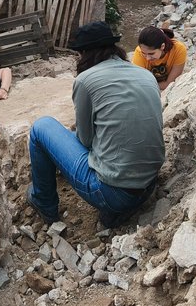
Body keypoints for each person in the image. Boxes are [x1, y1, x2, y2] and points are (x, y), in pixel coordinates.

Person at [27, 21, 165, 228]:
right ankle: (115, 214)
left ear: (83, 53)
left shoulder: (85, 80)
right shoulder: (146, 75)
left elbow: (85, 139)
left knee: (41, 127)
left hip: (111, 192)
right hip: (148, 185)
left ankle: (44, 204)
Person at [132, 26, 187, 91]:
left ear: (162, 46)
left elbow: (170, 83)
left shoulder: (178, 50)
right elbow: (139, 83)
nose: (147, 58)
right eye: (144, 53)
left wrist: (147, 85)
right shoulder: (139, 52)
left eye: (151, 54)